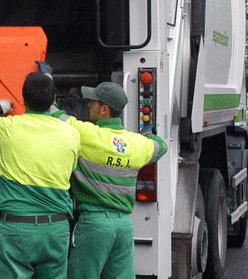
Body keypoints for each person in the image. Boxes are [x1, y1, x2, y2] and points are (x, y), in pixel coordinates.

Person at [53, 81, 167, 279]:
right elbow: (161, 146)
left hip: (94, 225)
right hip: (123, 226)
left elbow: (55, 116)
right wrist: (148, 134)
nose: (88, 105)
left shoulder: (86, 134)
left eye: (93, 102)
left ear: (104, 109)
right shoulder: (136, 144)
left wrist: (46, 82)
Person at [0, 71, 82, 279]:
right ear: (53, 100)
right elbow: (71, 168)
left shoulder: (7, 128)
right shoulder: (71, 133)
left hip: (17, 229)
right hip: (56, 230)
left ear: (22, 99)